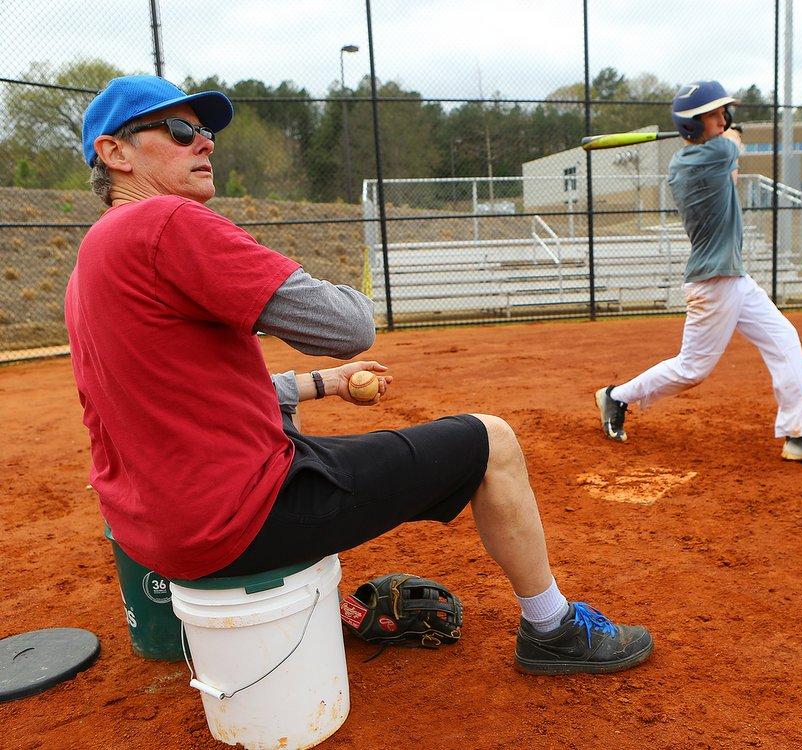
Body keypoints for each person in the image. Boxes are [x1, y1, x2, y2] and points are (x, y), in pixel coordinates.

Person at [66, 75, 653, 676]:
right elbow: (349, 325)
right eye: (183, 130)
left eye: (207, 131)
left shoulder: (91, 262)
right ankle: (552, 629)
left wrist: (328, 383)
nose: (206, 143)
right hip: (238, 523)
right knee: (491, 441)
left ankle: (326, 607)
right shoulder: (166, 222)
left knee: (312, 449)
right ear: (115, 153)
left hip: (155, 538)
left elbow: (179, 398)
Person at [595, 80, 802, 467]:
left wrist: (715, 127)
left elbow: (729, 153)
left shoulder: (701, 155)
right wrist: (725, 135)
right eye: (714, 113)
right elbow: (732, 146)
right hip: (713, 281)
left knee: (784, 338)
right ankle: (618, 396)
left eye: (723, 112)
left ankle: (798, 433)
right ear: (693, 126)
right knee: (692, 369)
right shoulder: (697, 160)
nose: (724, 118)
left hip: (734, 278)